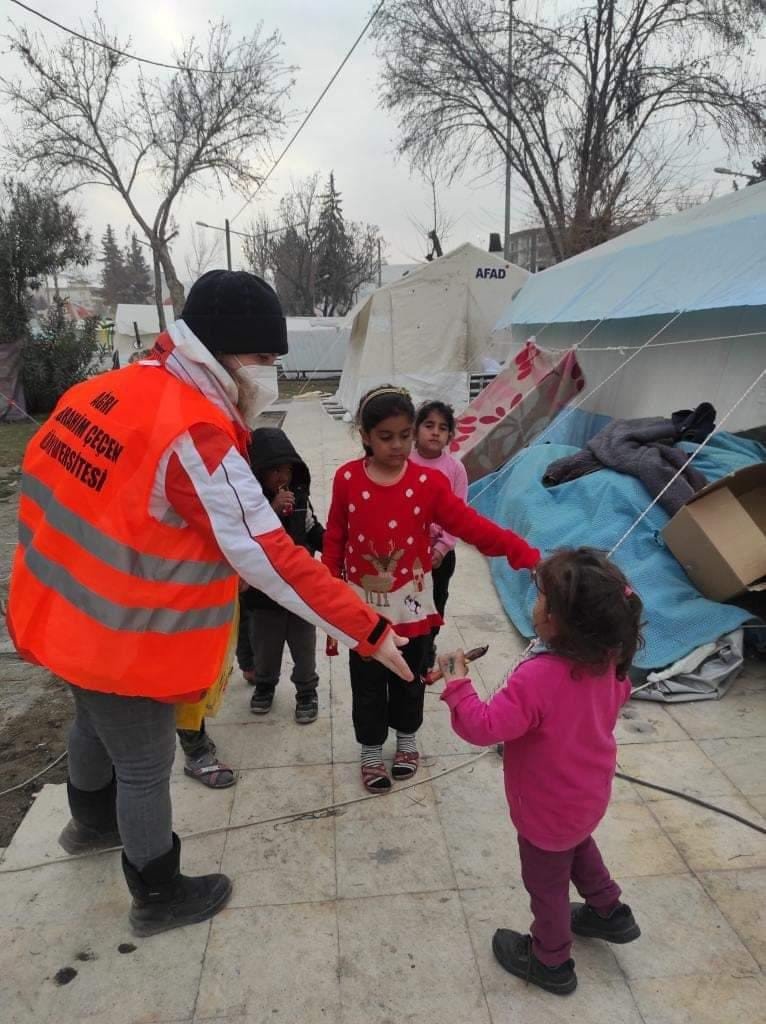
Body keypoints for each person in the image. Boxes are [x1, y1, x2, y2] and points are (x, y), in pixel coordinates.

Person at [7, 270, 412, 937]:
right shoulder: (193, 435)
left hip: (61, 619)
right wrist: (369, 627)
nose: (272, 372)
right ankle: (157, 891)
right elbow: (272, 556)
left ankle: (88, 825)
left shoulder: (99, 392)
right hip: (123, 635)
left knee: (90, 723)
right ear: (223, 351)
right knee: (143, 764)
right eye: (264, 358)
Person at [438, 548, 643, 996]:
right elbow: (613, 700)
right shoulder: (611, 662)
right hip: (587, 794)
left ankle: (551, 960)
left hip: (547, 808)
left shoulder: (537, 679)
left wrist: (457, 683)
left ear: (556, 620)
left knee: (546, 883)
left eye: (540, 597)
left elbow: (484, 725)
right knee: (578, 847)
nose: (534, 603)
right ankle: (610, 912)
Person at [322, 385, 539, 793]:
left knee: (409, 675)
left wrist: (523, 554)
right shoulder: (347, 479)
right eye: (386, 437)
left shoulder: (428, 483)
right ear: (365, 435)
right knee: (367, 679)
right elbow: (335, 536)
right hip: (361, 605)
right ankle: (371, 747)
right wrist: (329, 599)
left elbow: (472, 526)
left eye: (405, 435)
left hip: (413, 604)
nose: (399, 445)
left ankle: (407, 739)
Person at [239, 427, 325, 724]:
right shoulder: (250, 504)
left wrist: (334, 546)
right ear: (258, 473)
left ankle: (306, 691)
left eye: (286, 470)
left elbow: (313, 528)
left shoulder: (300, 497)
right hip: (263, 593)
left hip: (300, 589)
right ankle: (264, 686)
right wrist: (273, 510)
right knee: (265, 645)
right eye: (273, 471)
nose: (281, 478)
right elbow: (247, 538)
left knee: (303, 644)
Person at [410, 400, 468, 667]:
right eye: (429, 425)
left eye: (442, 428)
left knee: (436, 599)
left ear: (449, 436)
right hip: (407, 551)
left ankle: (428, 642)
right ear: (415, 430)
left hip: (441, 557)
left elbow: (459, 515)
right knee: (409, 597)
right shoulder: (404, 462)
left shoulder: (455, 469)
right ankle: (408, 640)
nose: (435, 432)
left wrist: (442, 548)